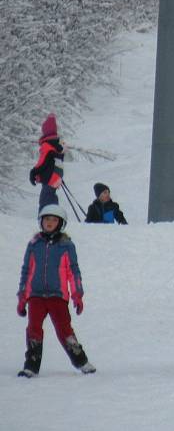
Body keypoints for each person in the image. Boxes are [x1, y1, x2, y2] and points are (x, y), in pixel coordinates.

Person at [16, 204, 96, 377]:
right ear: (41, 222)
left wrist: (77, 295)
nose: (50, 223)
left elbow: (73, 271)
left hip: (57, 296)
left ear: (61, 223)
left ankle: (81, 361)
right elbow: (26, 270)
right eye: (47, 219)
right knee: (33, 329)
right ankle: (31, 364)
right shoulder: (34, 244)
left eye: (54, 220)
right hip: (36, 296)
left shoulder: (66, 245)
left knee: (64, 330)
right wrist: (23, 297)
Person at [29, 113, 64, 211]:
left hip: (49, 178)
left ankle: (46, 216)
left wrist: (33, 172)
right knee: (51, 196)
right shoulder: (57, 146)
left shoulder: (47, 146)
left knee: (45, 199)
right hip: (57, 176)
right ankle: (54, 214)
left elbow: (42, 162)